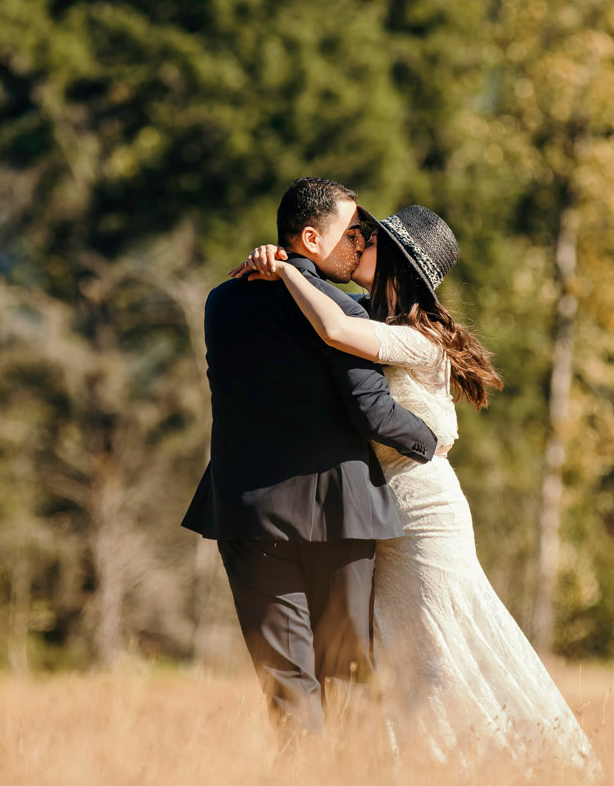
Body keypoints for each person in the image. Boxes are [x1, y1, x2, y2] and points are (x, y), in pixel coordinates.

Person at [237, 204, 596, 773]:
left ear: (396, 263)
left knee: (439, 654)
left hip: (425, 515)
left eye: (370, 239)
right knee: (400, 657)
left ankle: (506, 774)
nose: (358, 243)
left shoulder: (411, 337)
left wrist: (285, 271)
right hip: (388, 518)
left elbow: (332, 329)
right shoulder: (379, 322)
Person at [182, 178, 438, 738]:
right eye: (354, 234)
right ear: (310, 239)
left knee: (286, 688)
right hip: (338, 515)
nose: (359, 245)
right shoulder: (341, 309)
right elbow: (371, 412)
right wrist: (432, 441)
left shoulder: (221, 300)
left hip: (247, 511)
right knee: (347, 679)